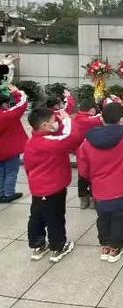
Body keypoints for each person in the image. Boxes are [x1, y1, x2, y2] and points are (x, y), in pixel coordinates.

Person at [77, 102, 123, 263]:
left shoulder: (87, 142)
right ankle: (116, 247)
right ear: (121, 119)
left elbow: (83, 170)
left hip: (100, 190)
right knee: (119, 218)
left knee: (102, 217)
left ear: (101, 118)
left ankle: (105, 246)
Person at [24, 108, 82, 262]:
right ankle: (58, 246)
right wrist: (67, 119)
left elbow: (28, 167)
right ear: (45, 125)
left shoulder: (33, 141)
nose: (56, 122)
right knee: (55, 217)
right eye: (53, 121)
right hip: (53, 188)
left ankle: (38, 243)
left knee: (37, 216)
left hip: (39, 188)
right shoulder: (47, 143)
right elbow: (72, 137)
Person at [72, 97, 103, 209]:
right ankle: (93, 199)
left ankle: (84, 199)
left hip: (80, 154)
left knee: (82, 177)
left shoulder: (77, 119)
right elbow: (101, 119)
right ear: (92, 110)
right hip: (92, 153)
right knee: (92, 177)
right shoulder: (89, 120)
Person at [0, 85, 28, 203]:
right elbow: (22, 103)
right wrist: (17, 92)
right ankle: (8, 193)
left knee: (0, 172)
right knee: (11, 171)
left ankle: (1, 193)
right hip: (10, 149)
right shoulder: (7, 115)